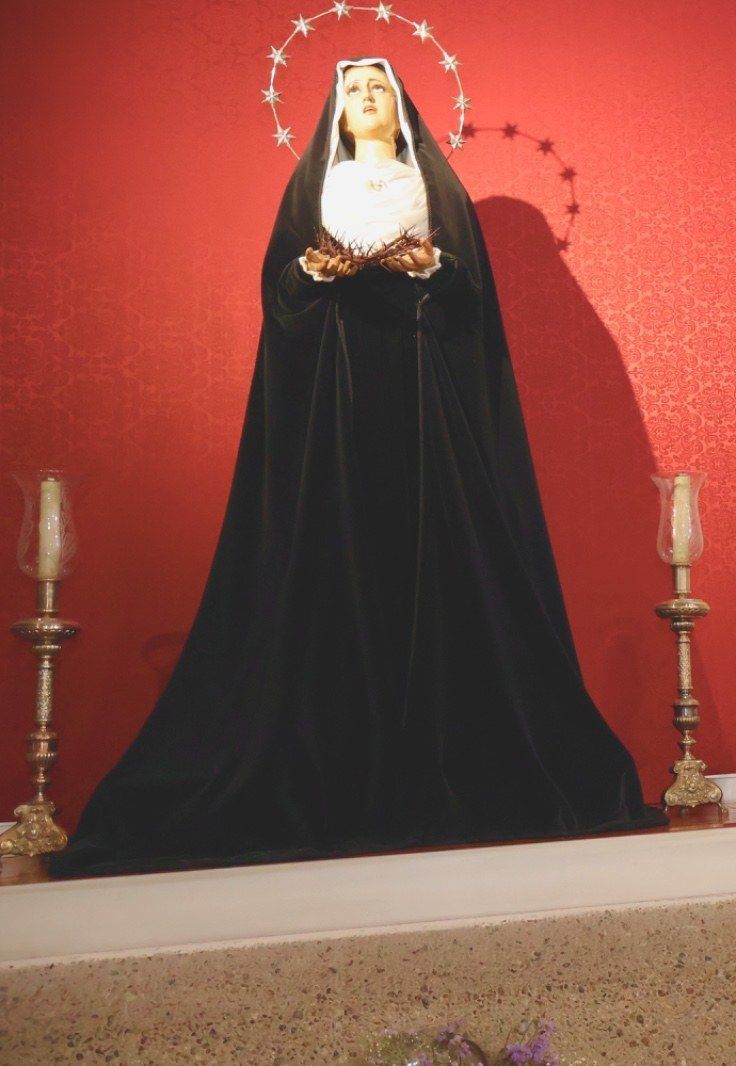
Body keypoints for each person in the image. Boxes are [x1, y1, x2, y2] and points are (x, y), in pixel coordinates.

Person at [53, 58, 663, 878]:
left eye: (378, 88)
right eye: (352, 92)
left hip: (422, 401)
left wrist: (432, 272)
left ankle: (461, 758)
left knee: (443, 566)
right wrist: (313, 273)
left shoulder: (432, 186)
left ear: (401, 105)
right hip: (333, 406)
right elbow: (280, 291)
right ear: (336, 115)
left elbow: (471, 303)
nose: (366, 99)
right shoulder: (314, 187)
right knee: (331, 566)